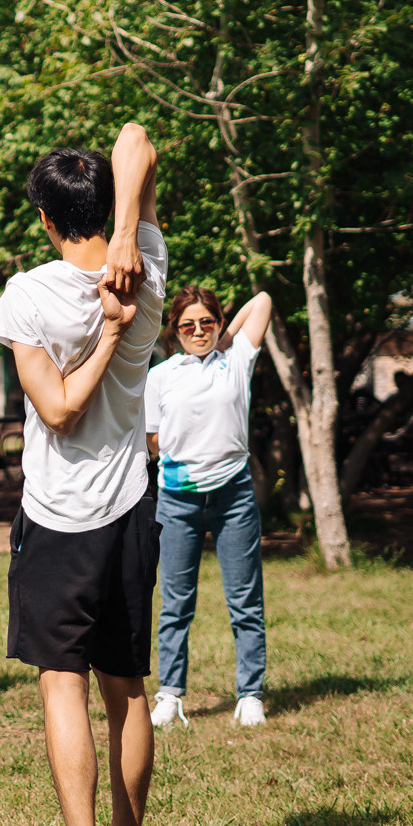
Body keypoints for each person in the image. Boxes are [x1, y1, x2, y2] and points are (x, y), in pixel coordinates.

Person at [0, 126, 163, 826]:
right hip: (132, 508)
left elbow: (56, 408)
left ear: (48, 219)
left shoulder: (29, 292)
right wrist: (127, 235)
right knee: (126, 692)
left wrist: (111, 334)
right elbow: (137, 137)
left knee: (64, 687)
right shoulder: (148, 265)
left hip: (59, 517)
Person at [143, 287, 274, 731]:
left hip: (233, 495)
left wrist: (227, 337)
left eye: (207, 322)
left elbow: (263, 299)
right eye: (188, 325)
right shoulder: (160, 376)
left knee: (245, 600)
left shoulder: (235, 360)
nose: (198, 331)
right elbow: (151, 441)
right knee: (176, 602)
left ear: (218, 323)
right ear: (174, 331)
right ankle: (170, 694)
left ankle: (250, 693)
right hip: (177, 499)